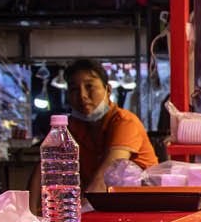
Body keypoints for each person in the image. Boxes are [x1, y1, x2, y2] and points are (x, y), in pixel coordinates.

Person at [63, 58, 157, 192]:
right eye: (74, 89)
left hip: (139, 206)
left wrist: (79, 210)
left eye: (89, 86)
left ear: (108, 90)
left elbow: (103, 179)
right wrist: (27, 210)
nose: (82, 95)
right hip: (101, 206)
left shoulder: (125, 122)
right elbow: (44, 170)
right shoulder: (72, 127)